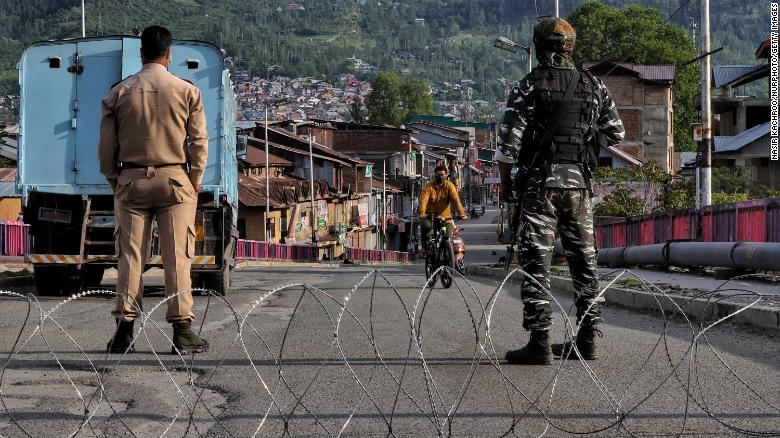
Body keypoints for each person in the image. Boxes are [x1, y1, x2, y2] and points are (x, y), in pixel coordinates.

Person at [496, 17, 625, 365]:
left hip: (540, 186)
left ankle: (539, 343)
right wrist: (584, 143)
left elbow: (508, 146)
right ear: (571, 46)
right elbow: (616, 132)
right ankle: (588, 340)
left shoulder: (528, 86)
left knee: (538, 262)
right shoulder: (593, 85)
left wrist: (507, 186)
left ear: (539, 47)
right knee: (585, 262)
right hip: (579, 187)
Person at [99, 26, 209, 355]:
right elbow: (199, 141)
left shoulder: (119, 92)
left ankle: (124, 331)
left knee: (131, 257)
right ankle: (182, 331)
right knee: (178, 257)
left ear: (141, 53)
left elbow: (106, 145)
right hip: (176, 179)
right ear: (168, 54)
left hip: (131, 180)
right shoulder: (186, 91)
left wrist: (113, 179)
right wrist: (196, 177)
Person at [418, 165, 468, 255]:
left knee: (448, 237)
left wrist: (461, 214)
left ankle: (447, 257)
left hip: (445, 217)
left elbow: (456, 200)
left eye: (443, 175)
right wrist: (422, 213)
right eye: (438, 175)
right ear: (435, 175)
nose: (441, 177)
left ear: (446, 175)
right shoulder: (428, 186)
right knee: (426, 226)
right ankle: (425, 248)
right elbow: (423, 200)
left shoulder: (449, 186)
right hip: (430, 215)